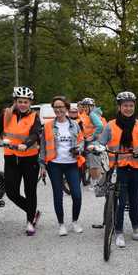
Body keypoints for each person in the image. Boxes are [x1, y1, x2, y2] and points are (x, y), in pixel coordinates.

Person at [97, 91, 138, 247]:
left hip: (135, 167)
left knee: (135, 201)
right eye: (125, 106)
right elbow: (102, 142)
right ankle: (119, 232)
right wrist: (98, 148)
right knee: (120, 202)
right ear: (119, 107)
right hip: (118, 168)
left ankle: (136, 231)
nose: (128, 108)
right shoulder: (111, 125)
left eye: (131, 106)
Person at [0, 86, 42, 236]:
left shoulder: (34, 117)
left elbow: (36, 134)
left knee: (30, 191)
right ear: (15, 102)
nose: (23, 104)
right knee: (11, 192)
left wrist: (27, 143)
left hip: (29, 159)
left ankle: (30, 221)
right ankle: (33, 211)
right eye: (20, 101)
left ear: (30, 102)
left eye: (26, 101)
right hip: (11, 158)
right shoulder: (7, 114)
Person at [39, 96, 85, 236]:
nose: (58, 109)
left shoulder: (75, 125)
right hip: (54, 165)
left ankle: (75, 221)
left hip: (72, 164)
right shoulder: (47, 126)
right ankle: (61, 224)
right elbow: (42, 147)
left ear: (66, 108)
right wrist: (42, 165)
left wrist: (79, 149)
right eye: (56, 107)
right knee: (57, 195)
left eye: (61, 107)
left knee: (77, 195)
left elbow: (81, 141)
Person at [79, 97, 105, 185]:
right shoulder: (93, 114)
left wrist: (92, 137)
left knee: (94, 163)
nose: (85, 108)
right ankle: (97, 182)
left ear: (92, 107)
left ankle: (96, 184)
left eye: (87, 107)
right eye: (84, 107)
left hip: (94, 142)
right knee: (95, 162)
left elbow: (100, 126)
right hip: (95, 141)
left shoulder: (92, 114)